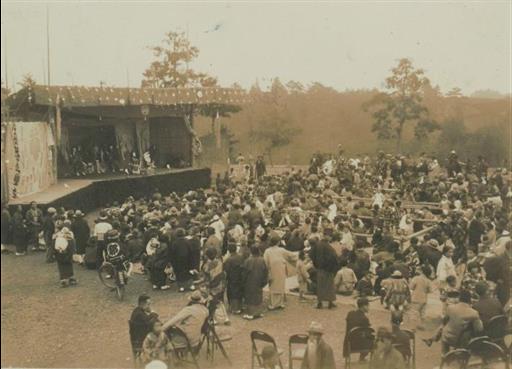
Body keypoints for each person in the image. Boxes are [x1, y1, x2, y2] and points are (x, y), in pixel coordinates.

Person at [263, 231, 297, 310]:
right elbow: (291, 255)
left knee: (274, 286)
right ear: (278, 242)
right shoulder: (281, 250)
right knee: (279, 286)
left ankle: (275, 303)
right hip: (280, 269)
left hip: (272, 269)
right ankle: (278, 303)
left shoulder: (267, 251)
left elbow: (265, 262)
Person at [242, 246, 268, 320]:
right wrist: (264, 281)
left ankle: (251, 313)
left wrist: (243, 281)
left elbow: (244, 273)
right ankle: (259, 312)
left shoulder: (248, 261)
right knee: (258, 296)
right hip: (259, 281)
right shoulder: (262, 260)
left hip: (249, 281)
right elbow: (265, 272)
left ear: (251, 252)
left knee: (250, 298)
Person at [130, 295, 159, 360]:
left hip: (137, 336)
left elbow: (146, 320)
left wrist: (151, 314)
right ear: (143, 304)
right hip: (141, 338)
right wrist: (153, 313)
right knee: (161, 336)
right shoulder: (139, 314)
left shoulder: (137, 310)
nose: (149, 306)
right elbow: (149, 324)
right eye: (148, 304)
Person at [53, 222, 77, 287]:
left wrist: (54, 253)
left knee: (61, 266)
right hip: (67, 252)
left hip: (59, 252)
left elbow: (53, 245)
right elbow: (72, 244)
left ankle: (63, 279)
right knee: (69, 265)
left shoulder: (56, 236)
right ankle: (71, 278)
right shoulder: (69, 235)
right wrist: (72, 252)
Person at [223, 242, 245, 314]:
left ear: (229, 250)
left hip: (232, 279)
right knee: (239, 292)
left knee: (232, 293)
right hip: (240, 278)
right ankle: (239, 307)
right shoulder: (241, 257)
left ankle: (234, 308)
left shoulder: (229, 260)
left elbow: (226, 270)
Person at [409, 265, 432, 330]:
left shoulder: (416, 278)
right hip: (424, 299)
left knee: (414, 313)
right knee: (422, 313)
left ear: (422, 271)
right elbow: (430, 290)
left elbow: (411, 287)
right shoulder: (428, 281)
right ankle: (422, 326)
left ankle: (413, 328)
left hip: (416, 298)